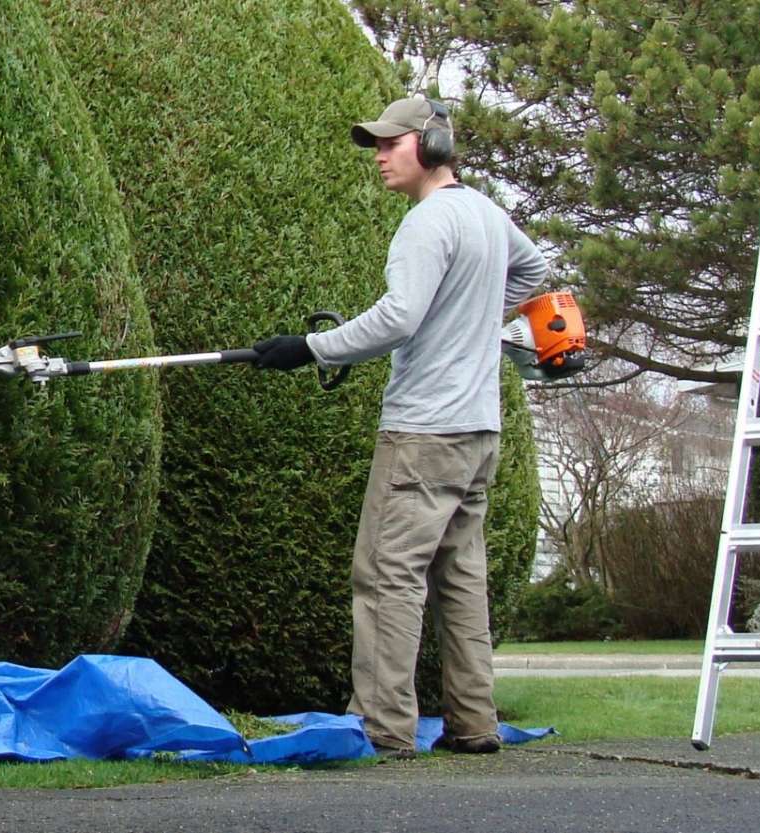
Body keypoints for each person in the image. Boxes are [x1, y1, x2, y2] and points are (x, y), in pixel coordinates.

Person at [251, 96, 550, 758]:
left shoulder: (427, 222)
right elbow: (535, 271)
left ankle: (384, 726)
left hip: (424, 433)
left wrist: (310, 347)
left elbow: (398, 318)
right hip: (478, 434)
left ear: (433, 143)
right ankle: (474, 723)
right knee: (460, 575)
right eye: (376, 146)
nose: (380, 156)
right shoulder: (486, 214)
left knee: (387, 573)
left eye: (392, 143)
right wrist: (471, 317)